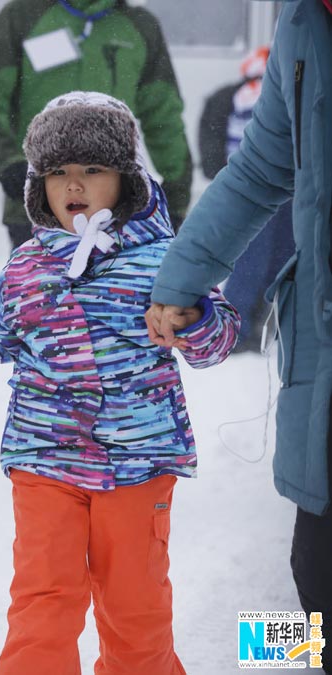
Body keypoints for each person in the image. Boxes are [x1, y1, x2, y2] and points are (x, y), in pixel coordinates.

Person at [0, 91, 238, 675]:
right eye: (56, 172)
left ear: (125, 180)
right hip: (44, 460)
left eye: (91, 169)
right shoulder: (27, 268)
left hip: (137, 464)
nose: (73, 184)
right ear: (38, 186)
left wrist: (193, 321)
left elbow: (218, 338)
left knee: (135, 610)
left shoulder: (165, 261)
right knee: (42, 603)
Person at [146, 1, 332, 672]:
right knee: (312, 570)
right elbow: (259, 170)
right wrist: (180, 277)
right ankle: (272, 651)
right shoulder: (302, 25)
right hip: (323, 340)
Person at [0, 0, 192, 249]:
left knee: (124, 287)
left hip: (119, 216)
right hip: (36, 209)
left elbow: (163, 114)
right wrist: (8, 164)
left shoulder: (140, 27)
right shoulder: (23, 16)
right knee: (33, 286)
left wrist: (176, 193)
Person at [199, 45, 295, 352]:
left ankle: (252, 325)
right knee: (259, 258)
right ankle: (242, 328)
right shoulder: (263, 97)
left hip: (264, 190)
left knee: (270, 257)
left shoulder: (239, 95)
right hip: (268, 189)